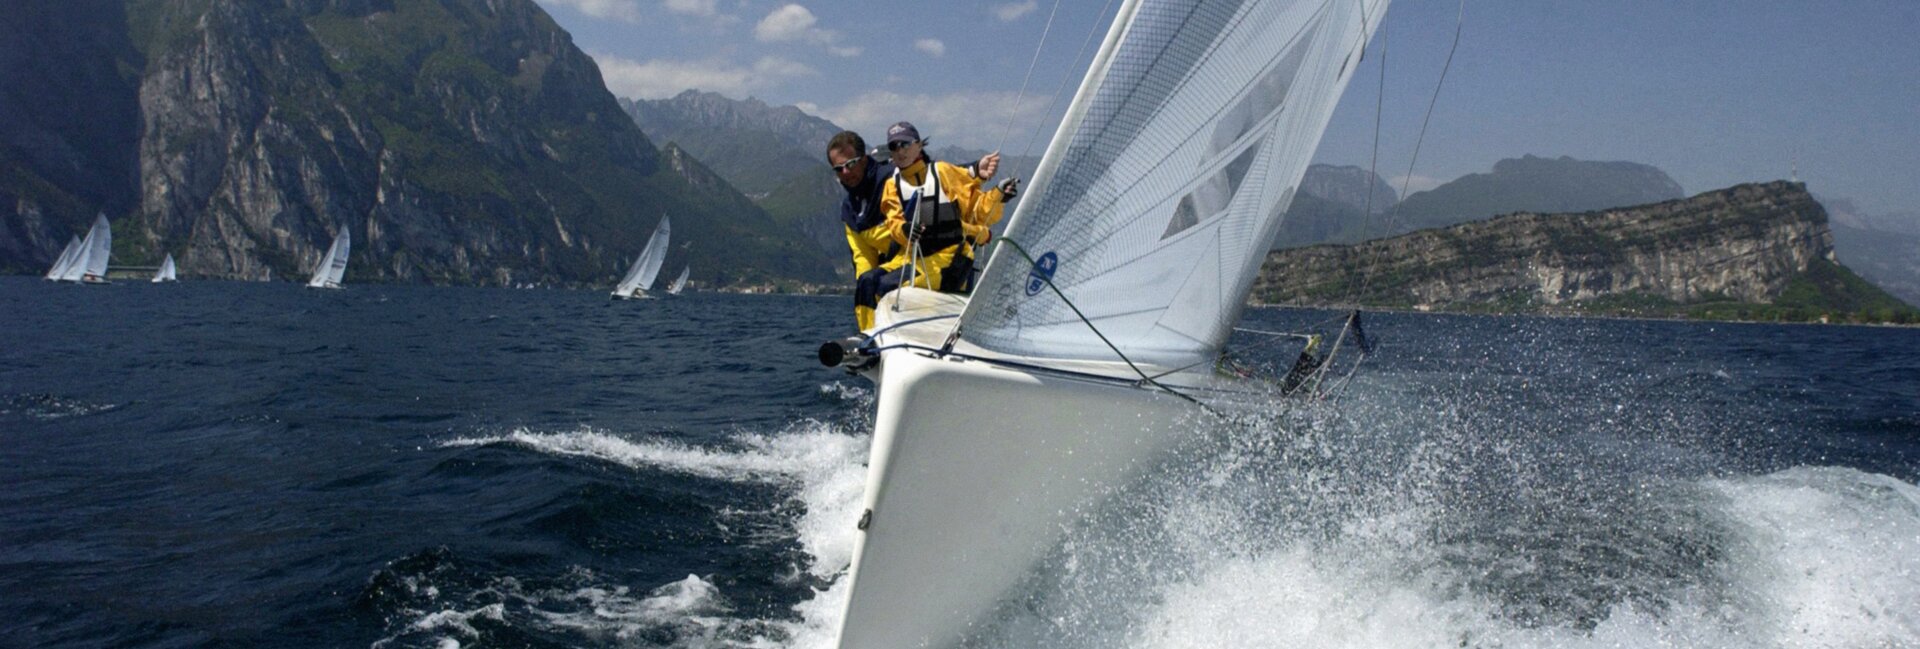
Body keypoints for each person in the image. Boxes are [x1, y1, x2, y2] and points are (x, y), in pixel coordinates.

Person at [878, 121, 1018, 298]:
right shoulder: (892, 185)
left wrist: (999, 195)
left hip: (952, 258)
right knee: (868, 282)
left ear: (919, 145)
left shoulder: (941, 172)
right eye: (894, 146)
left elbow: (978, 212)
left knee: (886, 285)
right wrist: (905, 229)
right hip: (915, 260)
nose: (900, 151)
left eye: (905, 144)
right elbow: (894, 223)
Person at [828, 130, 903, 331]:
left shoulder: (894, 179)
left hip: (925, 257)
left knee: (878, 282)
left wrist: (975, 169)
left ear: (864, 160)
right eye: (838, 169)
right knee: (866, 281)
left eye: (850, 164)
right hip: (894, 267)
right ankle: (870, 336)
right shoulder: (850, 211)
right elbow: (862, 257)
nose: (845, 172)